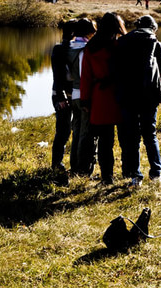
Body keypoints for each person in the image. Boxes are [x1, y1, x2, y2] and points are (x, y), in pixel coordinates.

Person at [116, 15, 161, 187]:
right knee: (150, 134)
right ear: (153, 27)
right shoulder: (155, 43)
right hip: (149, 96)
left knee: (132, 137)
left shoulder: (123, 42)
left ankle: (135, 177)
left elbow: (116, 69)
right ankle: (156, 174)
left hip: (127, 95)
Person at [80, 13, 127, 185]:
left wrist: (85, 100)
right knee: (126, 138)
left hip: (100, 97)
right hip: (121, 96)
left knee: (105, 141)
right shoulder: (121, 45)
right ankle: (129, 172)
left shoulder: (91, 47)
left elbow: (85, 76)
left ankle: (107, 177)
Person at [67, 18, 98, 176]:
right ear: (88, 31)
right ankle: (82, 169)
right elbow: (85, 75)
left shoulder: (69, 47)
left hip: (73, 94)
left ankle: (74, 166)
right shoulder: (86, 49)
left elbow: (68, 75)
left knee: (77, 131)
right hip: (84, 94)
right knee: (85, 133)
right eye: (93, 30)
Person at [50, 19, 76, 171]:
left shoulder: (63, 48)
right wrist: (61, 97)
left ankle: (61, 163)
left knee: (65, 130)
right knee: (63, 130)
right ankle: (56, 164)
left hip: (70, 94)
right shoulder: (60, 49)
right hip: (62, 95)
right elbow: (57, 75)